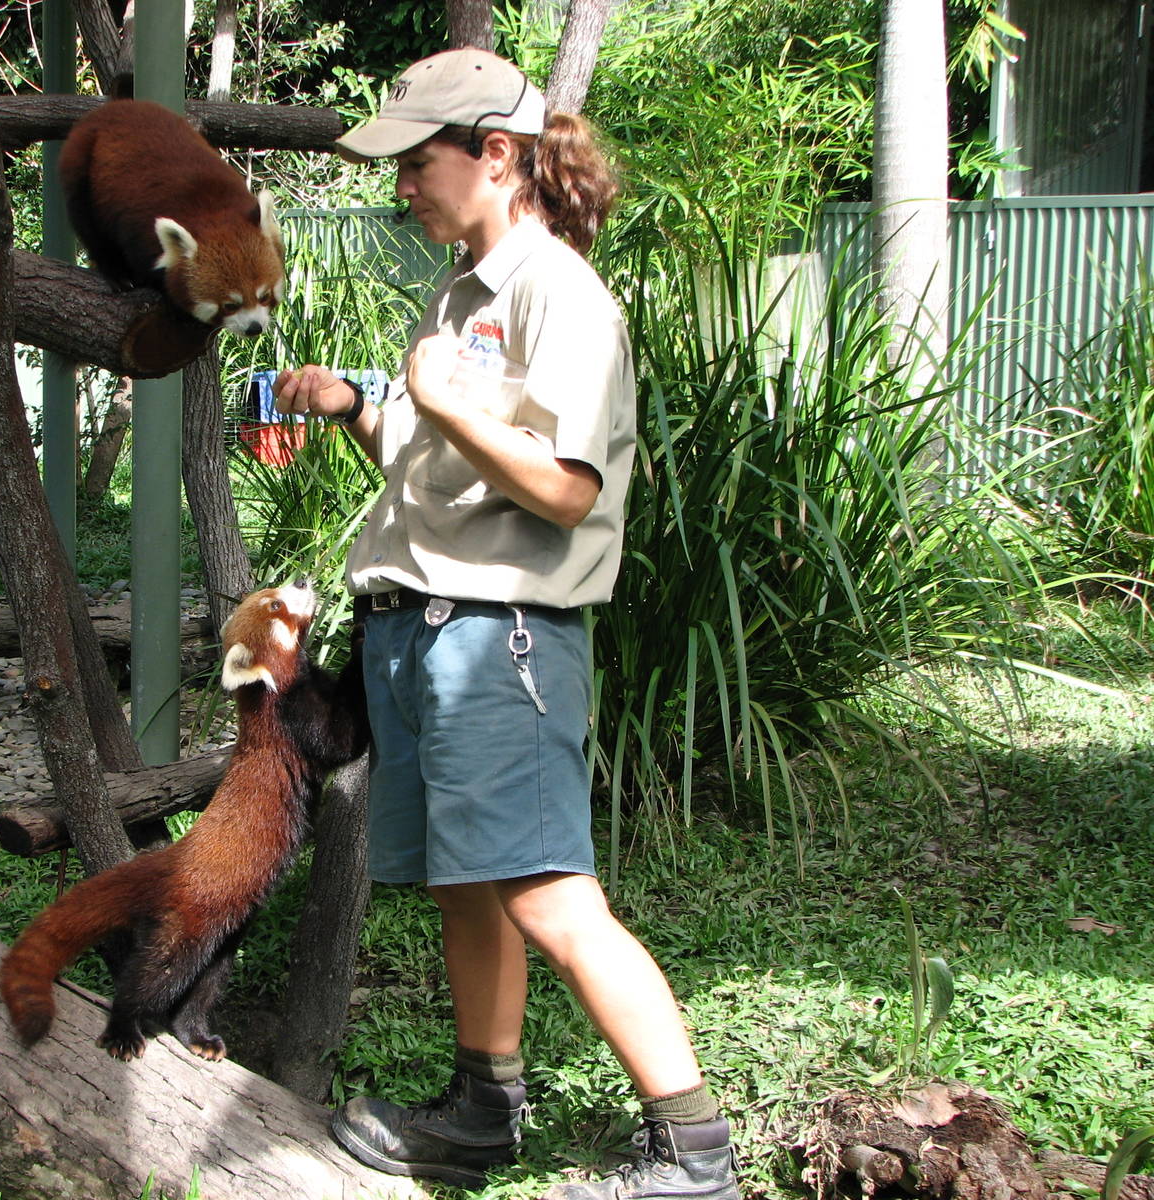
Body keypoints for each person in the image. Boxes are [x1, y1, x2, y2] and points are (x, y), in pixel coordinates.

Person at [270, 49, 740, 1200]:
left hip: (503, 638)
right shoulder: (460, 290)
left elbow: (568, 487)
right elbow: (448, 464)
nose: (402, 189)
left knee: (543, 887)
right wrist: (361, 408)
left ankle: (695, 1153)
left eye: (417, 164)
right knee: (463, 882)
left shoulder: (558, 294)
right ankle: (485, 1110)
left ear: (493, 156)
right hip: (423, 626)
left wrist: (436, 401)